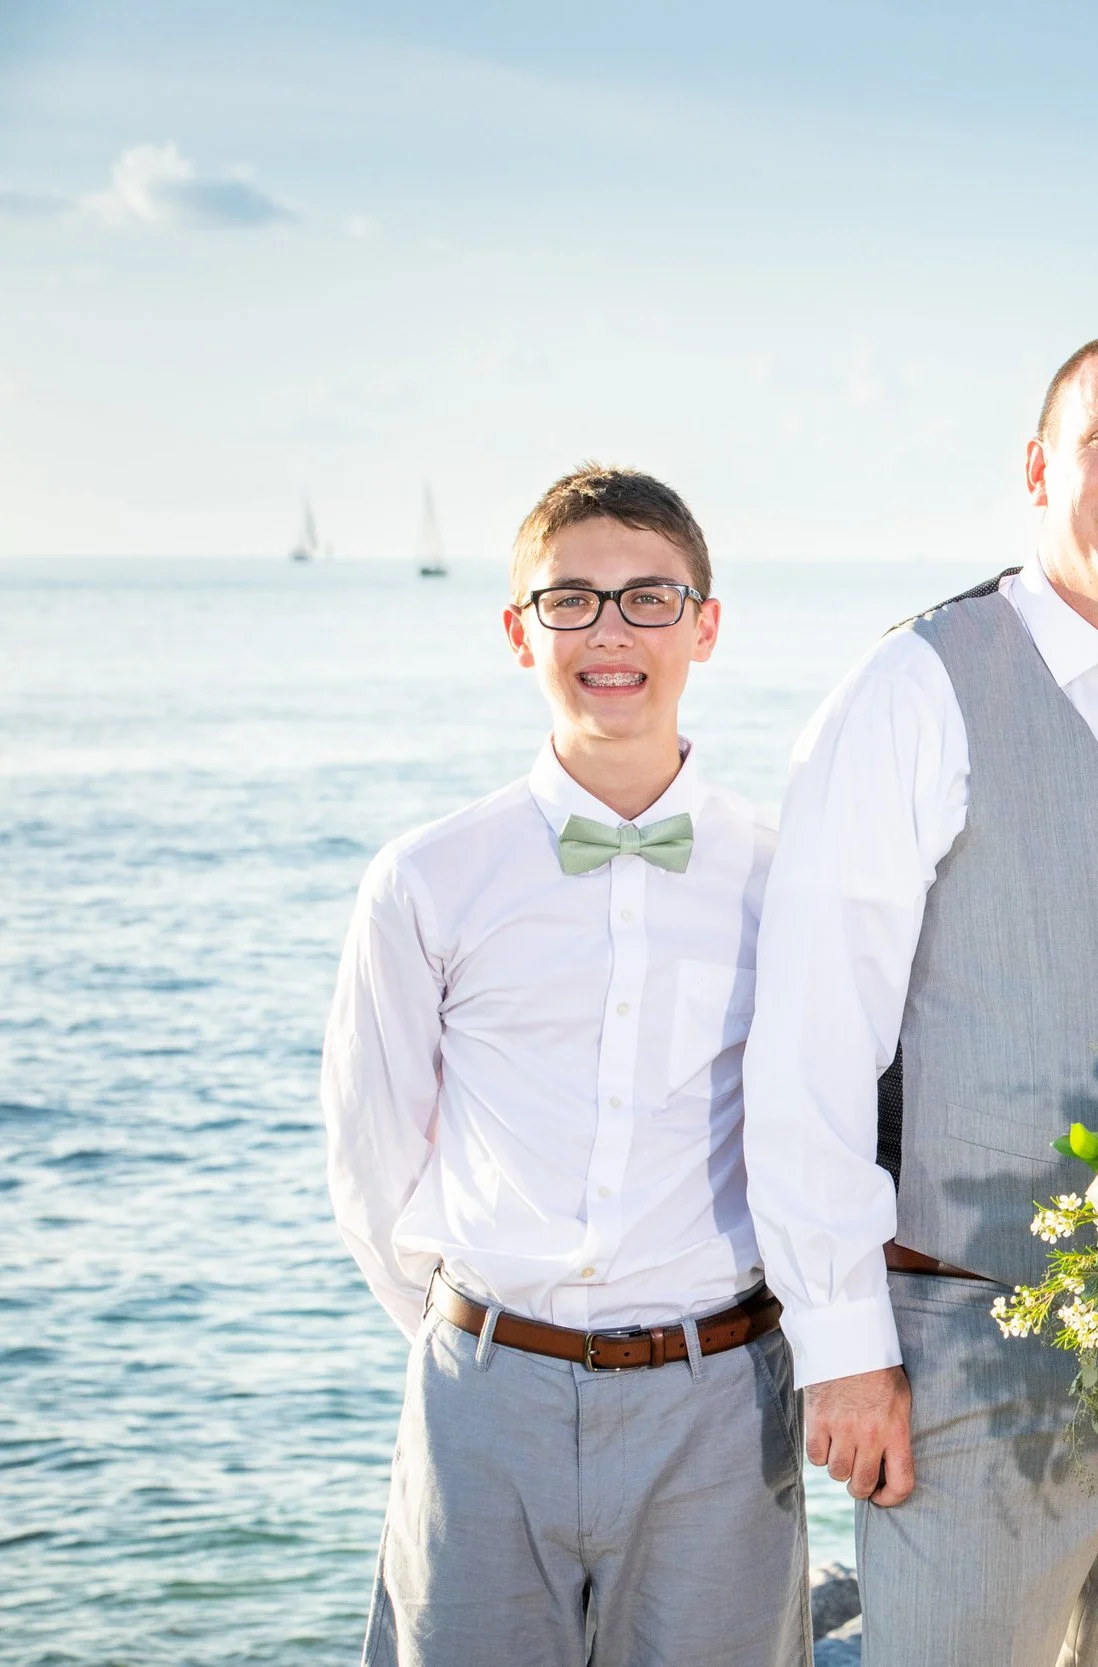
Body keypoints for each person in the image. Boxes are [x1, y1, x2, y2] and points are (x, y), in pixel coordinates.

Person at [743, 329, 1098, 1667]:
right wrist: (839, 1344)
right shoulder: (915, 686)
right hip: (968, 1344)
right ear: (1041, 464)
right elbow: (813, 1036)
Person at [321, 466, 804, 1666]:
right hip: (485, 1394)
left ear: (705, 624)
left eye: (648, 598)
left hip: (720, 1399)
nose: (609, 632)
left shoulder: (783, 874)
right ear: (517, 629)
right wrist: (490, 1347)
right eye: (570, 599)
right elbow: (372, 1162)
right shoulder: (429, 877)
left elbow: (832, 1126)